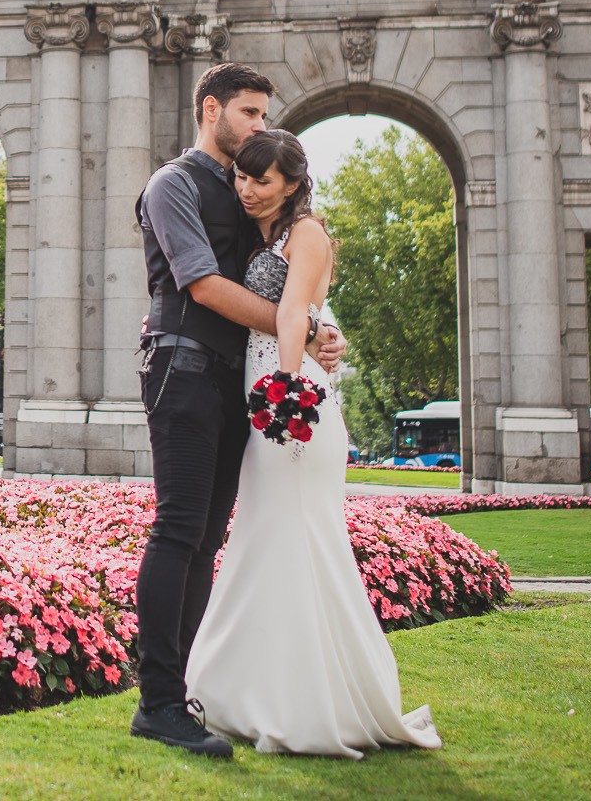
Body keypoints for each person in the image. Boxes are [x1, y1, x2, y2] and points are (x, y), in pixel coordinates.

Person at [186, 130, 441, 758]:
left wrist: (286, 388)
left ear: (293, 184)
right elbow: (316, 314)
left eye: (261, 180)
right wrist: (323, 339)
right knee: (264, 541)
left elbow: (296, 310)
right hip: (275, 397)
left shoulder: (306, 233)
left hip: (289, 406)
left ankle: (299, 701)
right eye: (242, 178)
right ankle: (248, 691)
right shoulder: (266, 234)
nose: (246, 189)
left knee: (297, 541)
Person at [129, 64, 346, 759]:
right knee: (179, 530)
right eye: (249, 112)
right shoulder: (173, 184)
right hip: (183, 367)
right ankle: (157, 702)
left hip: (233, 380)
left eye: (263, 115)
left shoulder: (250, 196)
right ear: (211, 108)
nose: (259, 126)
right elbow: (203, 285)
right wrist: (305, 331)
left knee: (205, 541)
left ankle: (182, 693)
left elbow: (294, 277)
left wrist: (318, 324)